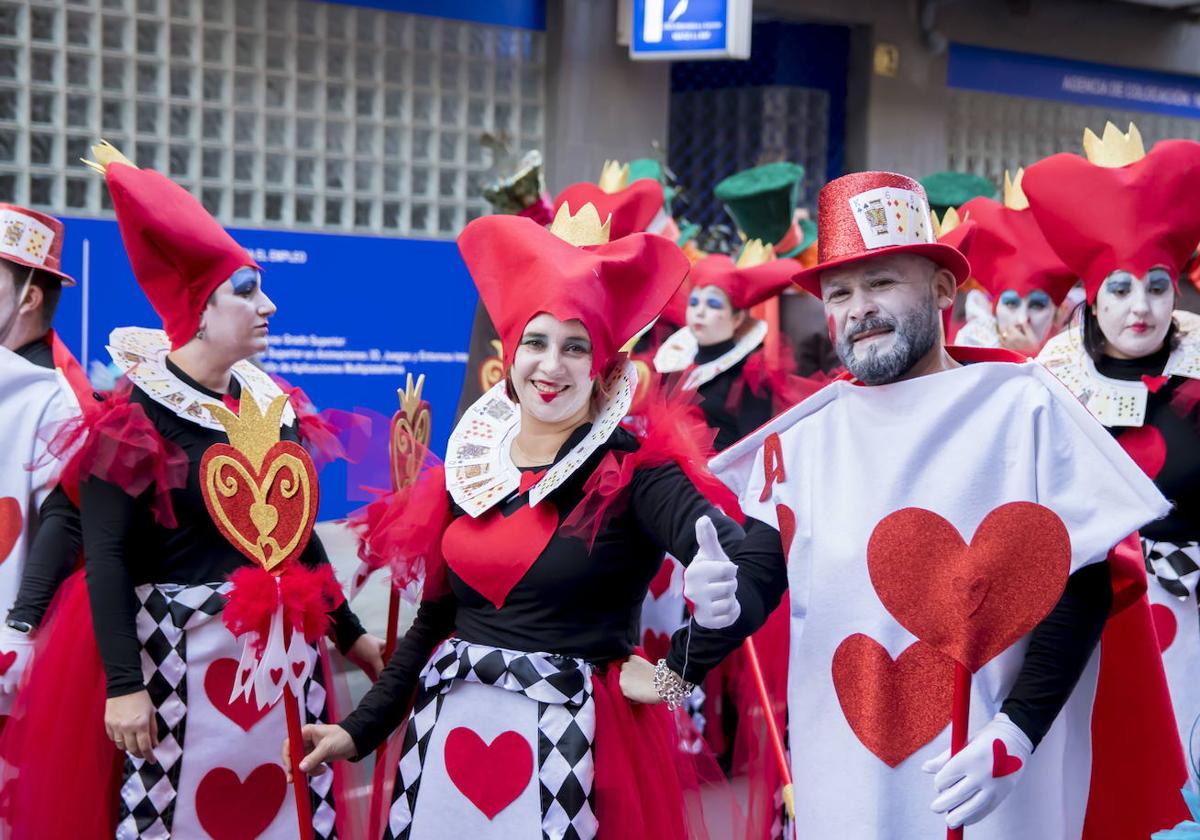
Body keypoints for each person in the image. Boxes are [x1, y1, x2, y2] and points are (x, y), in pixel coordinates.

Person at [623, 170, 1185, 838]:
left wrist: (1017, 732)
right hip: (844, 785)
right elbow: (760, 581)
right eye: (840, 293)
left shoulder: (1026, 408)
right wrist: (675, 669)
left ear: (945, 288)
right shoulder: (804, 438)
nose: (858, 307)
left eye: (882, 282)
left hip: (990, 788)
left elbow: (1081, 586)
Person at [291, 202, 743, 840]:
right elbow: (435, 621)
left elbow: (754, 562)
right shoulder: (475, 469)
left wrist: (676, 676)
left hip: (577, 750)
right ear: (510, 354)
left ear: (605, 367)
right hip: (449, 743)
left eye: (575, 346)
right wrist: (360, 728)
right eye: (536, 341)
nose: (551, 366)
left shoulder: (637, 475)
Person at [0, 143, 383, 839]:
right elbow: (107, 559)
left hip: (281, 678)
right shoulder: (132, 421)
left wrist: (353, 638)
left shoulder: (274, 407)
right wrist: (123, 688)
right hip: (175, 672)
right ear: (199, 312)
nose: (268, 304)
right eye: (245, 291)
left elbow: (296, 546)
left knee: (288, 815)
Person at [1028, 122, 1200, 782]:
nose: (1141, 307)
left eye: (1156, 286)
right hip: (1093, 622)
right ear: (1093, 301)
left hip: (1192, 619)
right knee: (1108, 777)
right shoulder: (1050, 386)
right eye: (1121, 289)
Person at [0, 204, 85, 721]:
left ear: (29, 296)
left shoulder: (56, 400)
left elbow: (65, 517)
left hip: (14, 660)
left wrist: (18, 627)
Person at [952, 171, 1077, 356]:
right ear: (994, 309)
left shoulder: (1075, 350)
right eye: (1011, 304)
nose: (1022, 320)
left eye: (1038, 306)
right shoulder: (972, 341)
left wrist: (1032, 355)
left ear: (1057, 312)